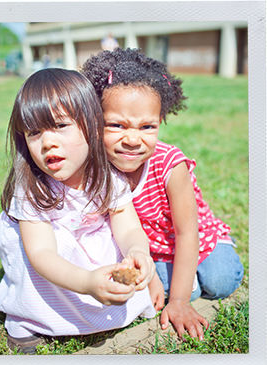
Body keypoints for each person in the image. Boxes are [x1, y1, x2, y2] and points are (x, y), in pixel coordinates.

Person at [81, 47, 244, 340]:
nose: (132, 139)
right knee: (144, 284)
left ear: (161, 121)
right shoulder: (96, 168)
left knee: (220, 281)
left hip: (193, 237)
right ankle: (178, 280)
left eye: (147, 126)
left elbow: (186, 232)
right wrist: (152, 276)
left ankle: (213, 254)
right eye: (116, 125)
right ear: (94, 121)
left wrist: (179, 302)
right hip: (146, 250)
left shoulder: (170, 165)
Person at [0, 68, 156, 354]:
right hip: (46, 258)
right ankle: (30, 322)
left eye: (60, 125)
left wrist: (139, 253)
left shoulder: (107, 177)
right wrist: (88, 282)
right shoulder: (32, 188)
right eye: (34, 132)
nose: (47, 142)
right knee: (32, 255)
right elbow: (42, 254)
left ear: (92, 126)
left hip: (84, 246)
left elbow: (129, 227)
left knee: (110, 238)